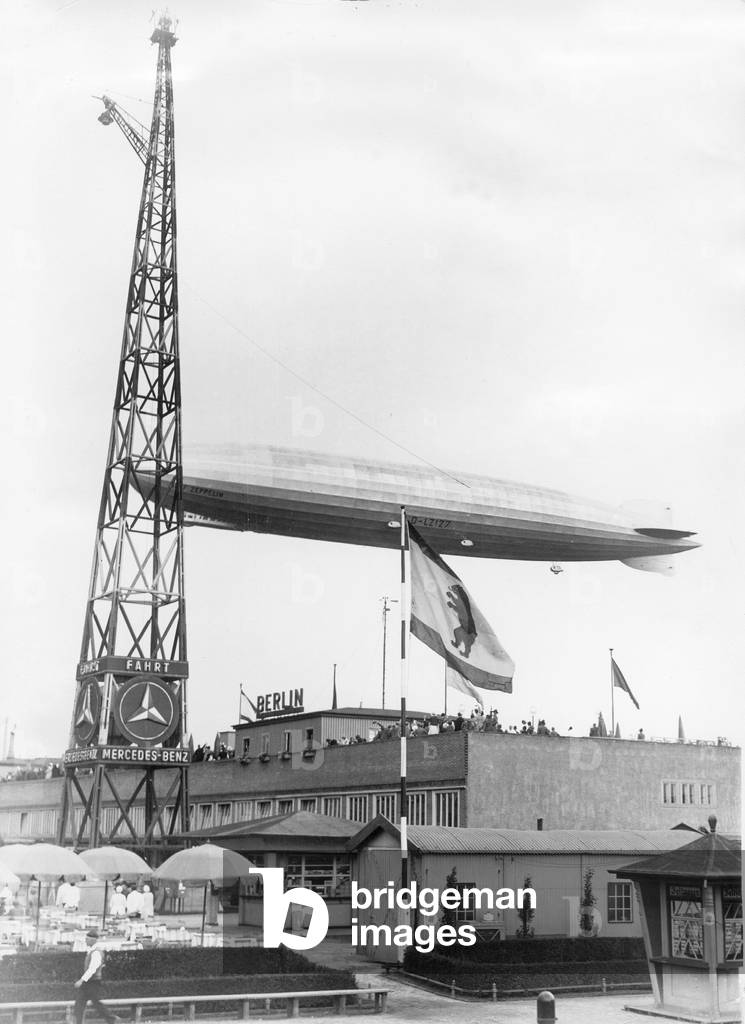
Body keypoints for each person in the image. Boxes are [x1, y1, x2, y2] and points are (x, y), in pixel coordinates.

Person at [74, 930, 120, 1024]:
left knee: (95, 1003)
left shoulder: (96, 953)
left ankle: (112, 1019)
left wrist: (81, 980)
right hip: (89, 983)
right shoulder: (92, 951)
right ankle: (111, 1019)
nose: (85, 941)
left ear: (92, 940)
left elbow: (92, 969)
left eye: (87, 939)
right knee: (80, 1004)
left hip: (92, 982)